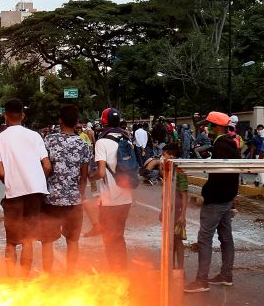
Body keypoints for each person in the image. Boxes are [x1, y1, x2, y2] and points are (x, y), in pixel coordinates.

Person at [0, 99, 51, 276]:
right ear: (23, 115)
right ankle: (24, 280)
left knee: (11, 241)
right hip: (36, 193)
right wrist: (37, 179)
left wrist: (13, 180)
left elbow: (0, 171)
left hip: (14, 195)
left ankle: (11, 280)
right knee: (28, 240)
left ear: (5, 116)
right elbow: (47, 166)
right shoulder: (35, 136)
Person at [184, 111, 240, 293]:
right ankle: (226, 275)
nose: (205, 128)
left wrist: (206, 194)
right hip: (227, 199)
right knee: (226, 239)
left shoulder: (220, 146)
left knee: (205, 239)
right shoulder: (231, 143)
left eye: (208, 125)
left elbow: (219, 176)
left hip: (216, 200)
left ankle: (201, 281)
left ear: (216, 127)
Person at [40, 105, 92, 274]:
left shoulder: (49, 140)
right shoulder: (82, 144)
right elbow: (84, 176)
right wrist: (80, 195)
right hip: (73, 201)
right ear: (77, 122)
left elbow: (43, 167)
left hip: (51, 200)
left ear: (60, 120)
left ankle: (48, 275)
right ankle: (70, 275)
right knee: (72, 241)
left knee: (47, 241)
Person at [92, 108, 135, 270]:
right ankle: (121, 270)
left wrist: (91, 177)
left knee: (109, 238)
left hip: (109, 200)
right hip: (126, 197)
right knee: (119, 236)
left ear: (104, 122)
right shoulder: (127, 139)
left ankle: (114, 273)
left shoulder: (101, 142)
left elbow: (101, 172)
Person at [144, 141, 189, 269]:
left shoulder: (180, 171)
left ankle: (179, 269)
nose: (162, 157)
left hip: (176, 211)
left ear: (172, 156)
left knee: (177, 241)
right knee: (170, 240)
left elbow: (185, 194)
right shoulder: (169, 170)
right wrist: (163, 210)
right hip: (168, 209)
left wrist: (182, 215)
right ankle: (171, 267)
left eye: (164, 155)